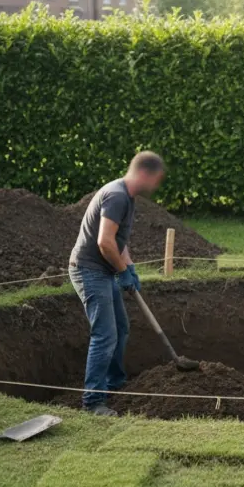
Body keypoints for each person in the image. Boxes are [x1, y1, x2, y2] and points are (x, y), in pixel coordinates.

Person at [68, 152, 166, 416]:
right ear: (144, 174)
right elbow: (104, 242)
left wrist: (130, 268)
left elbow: (118, 241)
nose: (156, 186)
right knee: (105, 335)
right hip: (88, 271)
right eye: (156, 180)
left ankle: (114, 382)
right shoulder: (117, 196)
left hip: (103, 271)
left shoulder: (126, 196)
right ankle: (93, 401)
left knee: (121, 328)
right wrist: (122, 272)